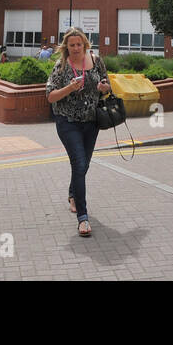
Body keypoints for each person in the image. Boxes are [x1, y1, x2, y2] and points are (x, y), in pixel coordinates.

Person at [45, 27, 112, 237]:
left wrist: (104, 87)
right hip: (68, 122)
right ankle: (83, 218)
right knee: (79, 163)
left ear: (85, 45)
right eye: (72, 45)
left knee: (84, 165)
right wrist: (69, 89)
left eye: (79, 44)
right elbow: (50, 96)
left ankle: (73, 194)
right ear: (66, 47)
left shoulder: (96, 60)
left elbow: (107, 83)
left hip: (91, 121)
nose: (75, 48)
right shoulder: (61, 66)